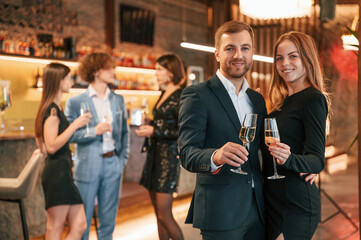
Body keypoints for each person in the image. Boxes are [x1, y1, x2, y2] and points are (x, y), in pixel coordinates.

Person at [178, 20, 267, 240]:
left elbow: (265, 149)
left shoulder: (257, 99)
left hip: (259, 208)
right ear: (217, 54)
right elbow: (187, 153)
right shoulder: (197, 95)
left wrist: (305, 163)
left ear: (252, 53)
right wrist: (215, 156)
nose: (238, 55)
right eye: (230, 48)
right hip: (220, 211)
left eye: (244, 48)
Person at [264, 31, 329, 239]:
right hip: (273, 203)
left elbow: (316, 160)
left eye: (293, 56)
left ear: (307, 60)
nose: (285, 63)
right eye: (279, 58)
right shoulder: (279, 104)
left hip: (296, 205)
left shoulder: (313, 99)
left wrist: (290, 159)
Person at [64, 52, 130, 240]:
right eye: (108, 68)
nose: (113, 71)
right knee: (81, 221)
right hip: (87, 166)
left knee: (108, 220)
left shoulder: (118, 99)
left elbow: (125, 134)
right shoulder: (75, 102)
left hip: (113, 164)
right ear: (95, 70)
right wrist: (94, 131)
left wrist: (121, 161)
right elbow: (70, 135)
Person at [34, 62, 90, 239]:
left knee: (80, 224)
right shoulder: (52, 111)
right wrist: (74, 125)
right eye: (68, 78)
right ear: (59, 81)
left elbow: (41, 145)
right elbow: (50, 147)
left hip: (62, 172)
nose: (72, 80)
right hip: (57, 174)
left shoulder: (53, 108)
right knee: (55, 228)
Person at [135, 53, 185, 240]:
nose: (155, 74)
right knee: (158, 214)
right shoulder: (164, 92)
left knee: (165, 214)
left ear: (171, 72)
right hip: (154, 156)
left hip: (168, 159)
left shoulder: (181, 95)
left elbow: (182, 131)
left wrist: (154, 131)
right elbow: (166, 123)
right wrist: (152, 122)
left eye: (159, 70)